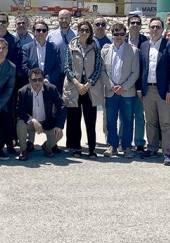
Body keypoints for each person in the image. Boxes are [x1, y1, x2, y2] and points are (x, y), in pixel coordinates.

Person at [139, 17, 170, 165]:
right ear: (148, 29)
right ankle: (152, 148)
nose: (155, 30)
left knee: (166, 123)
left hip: (164, 92)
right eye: (152, 27)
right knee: (150, 122)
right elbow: (141, 69)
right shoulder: (143, 46)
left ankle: (168, 152)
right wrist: (140, 90)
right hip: (147, 90)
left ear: (162, 30)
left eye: (157, 27)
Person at [63, 20, 104, 158]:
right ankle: (76, 148)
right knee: (74, 120)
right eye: (82, 30)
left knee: (90, 120)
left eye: (87, 30)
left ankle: (92, 149)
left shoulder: (95, 46)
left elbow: (98, 67)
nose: (84, 32)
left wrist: (88, 84)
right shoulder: (71, 46)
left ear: (90, 32)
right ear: (78, 31)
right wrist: (77, 83)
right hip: (75, 88)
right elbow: (67, 67)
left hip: (89, 89)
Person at [0, 13, 24, 152]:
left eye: (3, 22)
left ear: (8, 23)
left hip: (8, 84)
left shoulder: (14, 40)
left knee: (8, 114)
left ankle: (10, 142)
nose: (0, 24)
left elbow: (18, 62)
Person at [100, 21, 140, 158]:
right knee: (111, 120)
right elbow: (102, 71)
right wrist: (111, 85)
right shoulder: (105, 50)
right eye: (115, 33)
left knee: (128, 121)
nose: (118, 36)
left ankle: (127, 146)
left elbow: (135, 72)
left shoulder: (133, 50)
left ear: (125, 35)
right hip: (111, 91)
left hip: (127, 92)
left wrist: (123, 87)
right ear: (112, 35)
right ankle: (112, 145)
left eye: (121, 34)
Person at [15, 68, 66, 160]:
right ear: (29, 80)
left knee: (60, 134)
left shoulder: (51, 89)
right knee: (20, 124)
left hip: (47, 122)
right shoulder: (23, 92)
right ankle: (23, 150)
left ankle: (47, 146)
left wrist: (59, 125)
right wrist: (32, 120)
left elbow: (61, 106)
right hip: (31, 124)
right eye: (34, 80)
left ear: (43, 79)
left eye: (40, 79)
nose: (37, 82)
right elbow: (19, 110)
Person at [126, 14, 148, 152]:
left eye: (137, 23)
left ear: (140, 25)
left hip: (140, 85)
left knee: (140, 115)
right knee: (125, 115)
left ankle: (139, 142)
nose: (135, 25)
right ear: (128, 25)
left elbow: (146, 64)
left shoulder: (145, 41)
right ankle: (124, 141)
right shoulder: (122, 38)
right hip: (124, 84)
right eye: (132, 22)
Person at [22, 18, 63, 92]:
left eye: (44, 30)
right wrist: (35, 79)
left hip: (49, 85)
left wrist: (47, 79)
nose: (41, 32)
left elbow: (57, 67)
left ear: (47, 33)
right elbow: (24, 66)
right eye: (38, 30)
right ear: (33, 32)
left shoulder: (54, 48)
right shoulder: (26, 48)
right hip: (32, 85)